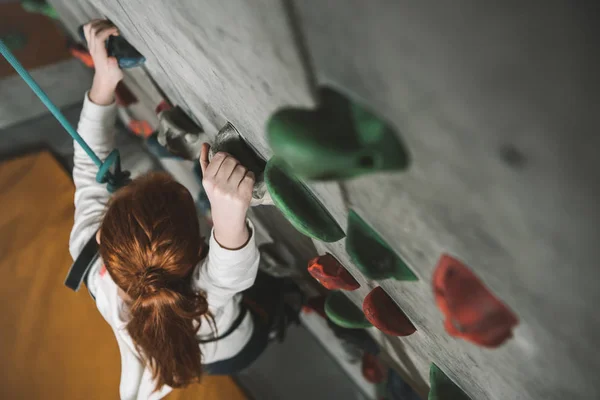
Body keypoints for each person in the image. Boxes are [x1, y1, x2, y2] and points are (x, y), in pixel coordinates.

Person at [69, 20, 266, 399]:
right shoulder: (204, 294)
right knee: (266, 310)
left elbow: (87, 169)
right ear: (197, 252)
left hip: (204, 346)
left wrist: (104, 81)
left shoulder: (89, 259)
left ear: (101, 240)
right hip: (230, 346)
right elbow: (229, 274)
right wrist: (229, 217)